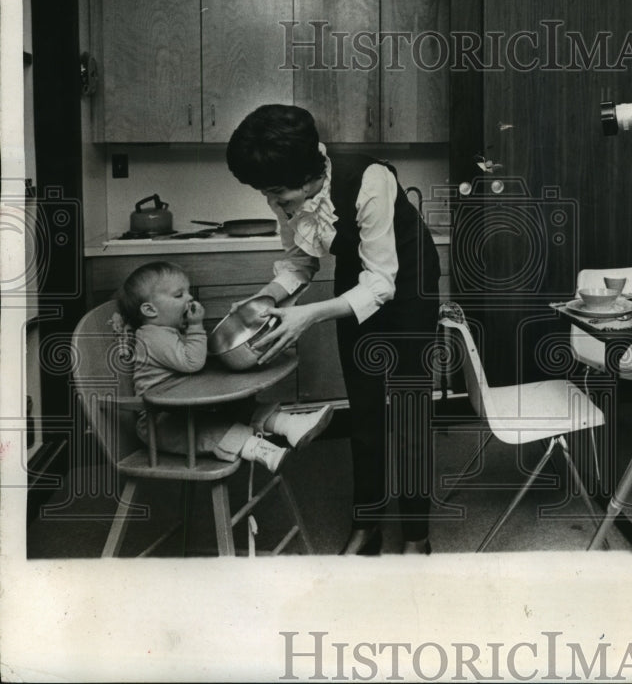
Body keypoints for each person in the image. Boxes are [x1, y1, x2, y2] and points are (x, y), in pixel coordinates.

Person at [225, 105, 441, 556]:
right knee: (364, 410)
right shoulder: (286, 192)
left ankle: (416, 535)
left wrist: (307, 315)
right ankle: (367, 524)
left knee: (409, 411)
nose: (275, 204)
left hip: (408, 285)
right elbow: (299, 262)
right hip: (356, 276)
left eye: (279, 194)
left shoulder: (371, 179)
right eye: (267, 194)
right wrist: (263, 300)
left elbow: (381, 283)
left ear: (308, 177)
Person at [117, 261, 334, 473]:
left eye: (188, 292)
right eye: (178, 295)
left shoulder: (166, 330)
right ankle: (258, 448)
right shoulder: (153, 337)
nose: (190, 298)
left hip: (183, 406)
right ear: (149, 310)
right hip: (159, 421)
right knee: (210, 430)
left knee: (236, 408)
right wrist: (196, 326)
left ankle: (289, 425)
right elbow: (192, 362)